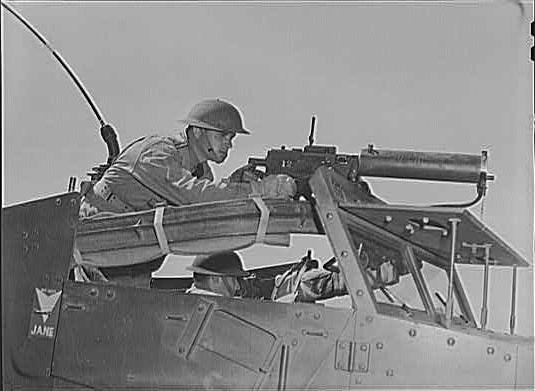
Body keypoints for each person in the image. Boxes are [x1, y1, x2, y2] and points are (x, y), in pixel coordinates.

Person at [79, 98, 296, 217]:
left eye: (231, 137)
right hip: (92, 231)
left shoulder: (201, 171)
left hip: (127, 244)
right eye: (222, 135)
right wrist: (257, 191)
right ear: (199, 131)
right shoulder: (158, 152)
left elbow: (206, 205)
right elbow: (193, 196)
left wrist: (233, 185)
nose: (229, 143)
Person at [186, 251, 250, 297]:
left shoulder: (185, 303)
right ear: (215, 278)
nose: (237, 286)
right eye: (233, 279)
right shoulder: (223, 308)